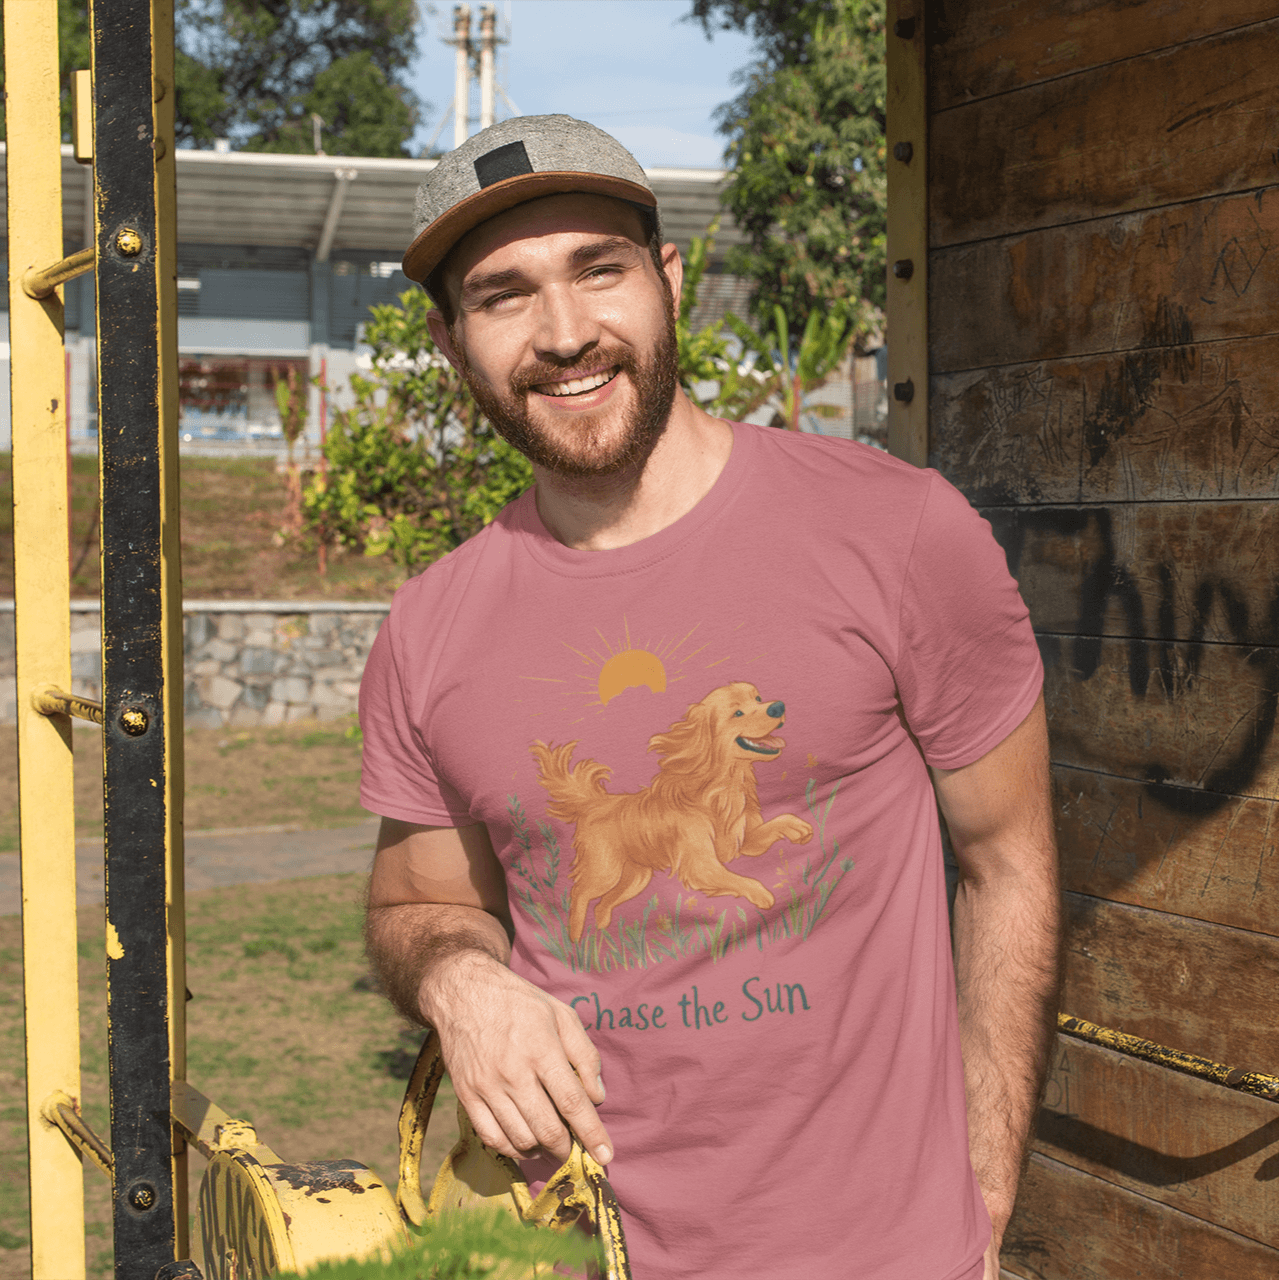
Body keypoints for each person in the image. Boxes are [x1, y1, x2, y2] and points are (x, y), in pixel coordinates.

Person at [360, 114, 1060, 1280]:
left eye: (599, 269)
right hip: (573, 1254)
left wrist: (978, 1207)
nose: (566, 332)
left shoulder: (896, 531)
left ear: (668, 277)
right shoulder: (431, 626)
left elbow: (1009, 859)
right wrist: (455, 977)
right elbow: (412, 905)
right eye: (503, 295)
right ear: (450, 341)